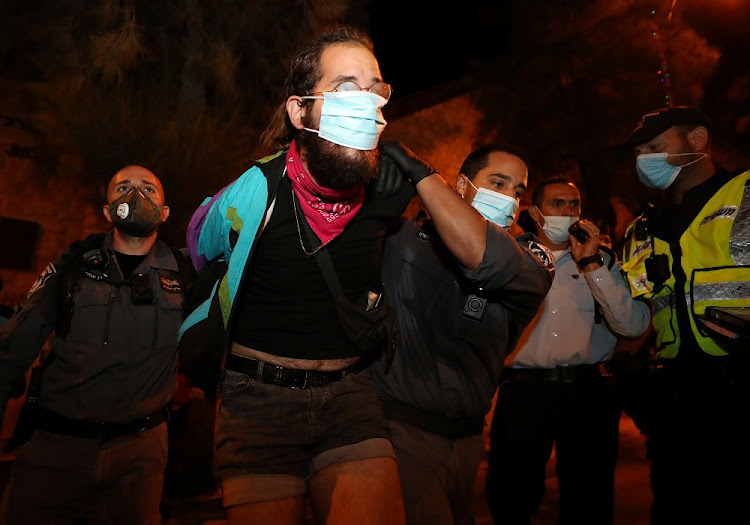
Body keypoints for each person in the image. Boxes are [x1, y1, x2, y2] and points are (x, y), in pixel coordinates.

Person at [177, 25, 441, 525]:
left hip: (351, 397)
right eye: (345, 87)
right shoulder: (257, 191)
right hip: (256, 401)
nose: (365, 102)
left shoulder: (387, 190)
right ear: (300, 111)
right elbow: (200, 244)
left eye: (375, 88)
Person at [367, 144, 555, 525]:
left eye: (517, 191)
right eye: (497, 182)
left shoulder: (531, 259)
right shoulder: (402, 238)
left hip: (469, 439)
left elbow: (487, 262)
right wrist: (373, 201)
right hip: (403, 431)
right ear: (463, 185)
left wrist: (422, 176)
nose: (509, 198)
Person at [0, 165, 186, 524]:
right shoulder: (73, 267)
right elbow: (13, 348)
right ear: (107, 211)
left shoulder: (185, 274)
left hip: (139, 457)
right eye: (124, 187)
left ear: (164, 212)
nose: (135, 196)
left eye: (148, 189)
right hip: (56, 450)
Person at [485, 176, 651, 525]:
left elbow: (632, 326)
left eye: (573, 205)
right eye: (557, 204)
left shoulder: (603, 262)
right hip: (524, 390)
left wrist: (591, 266)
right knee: (511, 496)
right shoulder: (509, 256)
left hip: (587, 393)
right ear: (535, 212)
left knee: (589, 498)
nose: (567, 212)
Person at [619, 105, 750, 524]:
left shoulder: (745, 194)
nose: (645, 159)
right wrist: (629, 374)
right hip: (676, 408)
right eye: (640, 151)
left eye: (656, 146)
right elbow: (638, 312)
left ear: (698, 140)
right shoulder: (640, 227)